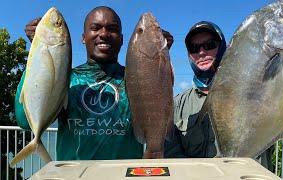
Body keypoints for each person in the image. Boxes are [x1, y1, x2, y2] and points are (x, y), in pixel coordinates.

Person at [16, 6, 173, 160]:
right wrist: (37, 53)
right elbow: (24, 121)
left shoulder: (136, 80)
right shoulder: (67, 80)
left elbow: (159, 105)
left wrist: (157, 59)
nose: (104, 34)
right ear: (83, 37)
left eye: (112, 29)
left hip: (124, 174)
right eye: (95, 28)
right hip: (74, 175)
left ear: (122, 39)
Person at [164, 21, 283, 168]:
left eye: (209, 45)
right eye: (194, 48)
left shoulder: (256, 89)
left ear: (224, 47)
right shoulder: (177, 104)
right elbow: (170, 154)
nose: (202, 52)